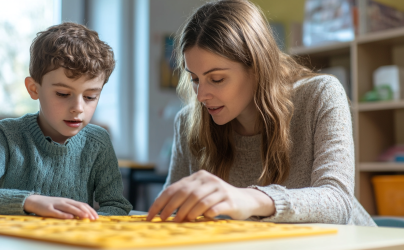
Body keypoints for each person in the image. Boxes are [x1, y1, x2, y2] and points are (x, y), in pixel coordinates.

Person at [147, 0, 375, 226]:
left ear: (257, 68)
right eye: (195, 79)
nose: (201, 95)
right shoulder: (188, 122)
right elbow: (170, 210)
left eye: (217, 79)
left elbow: (338, 203)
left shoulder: (321, 95)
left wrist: (250, 198)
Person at [0, 22, 132, 219]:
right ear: (34, 89)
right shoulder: (8, 135)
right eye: (63, 94)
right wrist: (32, 202)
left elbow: (116, 205)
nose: (78, 108)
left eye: (90, 97)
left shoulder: (98, 142)